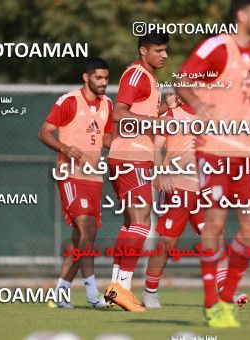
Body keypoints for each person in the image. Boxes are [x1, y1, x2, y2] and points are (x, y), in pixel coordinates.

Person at [177, 0, 250, 327]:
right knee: (214, 223)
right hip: (213, 149)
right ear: (241, 15)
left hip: (248, 153)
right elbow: (183, 81)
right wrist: (198, 102)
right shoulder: (216, 46)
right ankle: (213, 303)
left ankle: (226, 297)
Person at [103, 32, 174, 312]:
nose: (164, 55)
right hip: (131, 156)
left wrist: (164, 108)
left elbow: (139, 111)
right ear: (144, 51)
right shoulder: (136, 74)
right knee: (142, 222)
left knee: (131, 224)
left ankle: (115, 289)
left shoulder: (150, 79)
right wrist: (151, 122)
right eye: (159, 50)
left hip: (132, 157)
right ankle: (122, 290)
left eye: (165, 50)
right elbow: (119, 112)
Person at [38, 57, 113, 309]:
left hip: (94, 178)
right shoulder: (69, 101)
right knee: (88, 229)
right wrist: (65, 148)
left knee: (79, 239)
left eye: (106, 78)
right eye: (98, 78)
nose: (103, 83)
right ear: (86, 77)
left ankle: (60, 292)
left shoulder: (107, 105)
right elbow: (44, 132)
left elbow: (107, 140)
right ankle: (92, 293)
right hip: (70, 174)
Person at [141, 100, 205, 308]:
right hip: (177, 186)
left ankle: (224, 291)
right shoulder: (172, 114)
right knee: (168, 243)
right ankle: (150, 292)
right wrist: (162, 173)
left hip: (204, 188)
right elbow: (156, 147)